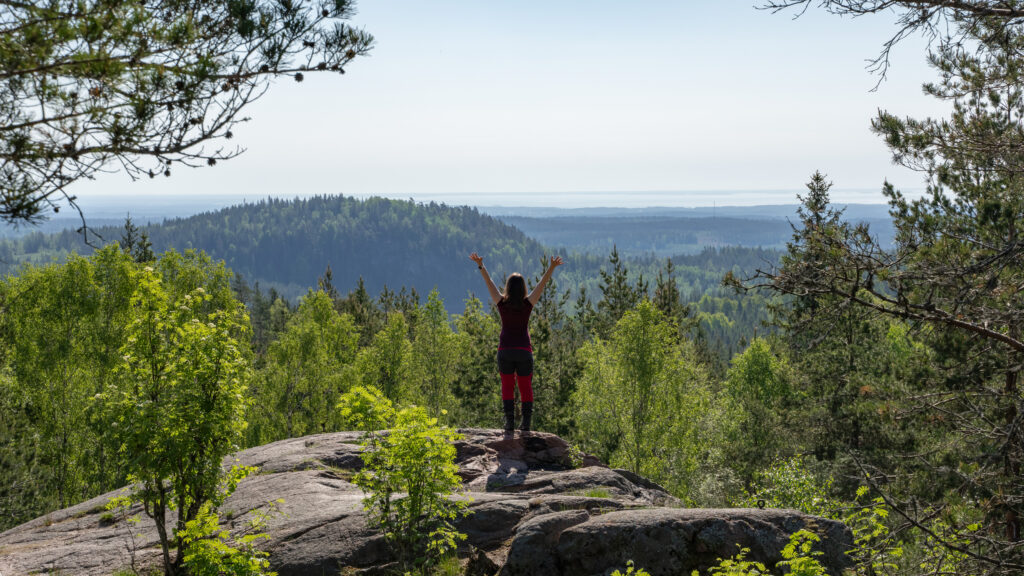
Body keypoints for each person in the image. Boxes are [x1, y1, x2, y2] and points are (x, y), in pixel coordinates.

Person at [469, 252, 564, 433]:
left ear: (508, 287)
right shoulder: (528, 304)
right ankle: (526, 424)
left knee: (507, 385)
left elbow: (489, 283)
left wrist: (481, 265)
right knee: (525, 386)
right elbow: (541, 285)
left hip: (505, 350)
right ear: (523, 289)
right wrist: (551, 267)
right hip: (523, 351)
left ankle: (509, 423)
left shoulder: (501, 303)